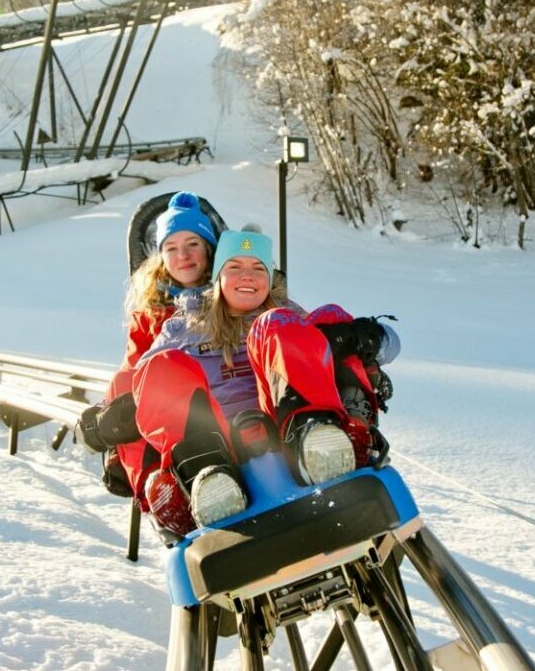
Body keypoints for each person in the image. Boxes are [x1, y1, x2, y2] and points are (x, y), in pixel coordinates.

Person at [128, 227, 399, 537]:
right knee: (159, 366)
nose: (247, 276)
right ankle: (206, 478)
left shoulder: (285, 315)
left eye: (258, 268)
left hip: (285, 430)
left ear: (270, 279)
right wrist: (121, 409)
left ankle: (322, 439)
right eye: (234, 267)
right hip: (219, 441)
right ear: (217, 277)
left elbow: (391, 345)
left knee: (301, 321)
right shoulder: (184, 326)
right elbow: (144, 381)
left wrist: (365, 338)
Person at [84, 191, 220, 507]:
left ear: (209, 249)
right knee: (123, 388)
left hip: (227, 399)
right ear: (161, 258)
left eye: (193, 244)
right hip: (176, 419)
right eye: (171, 248)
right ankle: (159, 492)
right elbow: (132, 370)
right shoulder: (151, 316)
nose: (182, 255)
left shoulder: (233, 294)